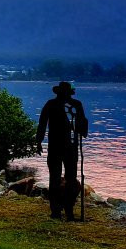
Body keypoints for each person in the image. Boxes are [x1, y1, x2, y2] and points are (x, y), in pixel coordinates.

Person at [36, 81, 88, 221]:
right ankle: (60, 211)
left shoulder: (72, 105)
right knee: (58, 178)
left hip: (65, 148)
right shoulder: (68, 105)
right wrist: (39, 141)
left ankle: (64, 210)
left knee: (65, 179)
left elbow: (82, 125)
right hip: (61, 147)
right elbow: (42, 123)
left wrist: (38, 141)